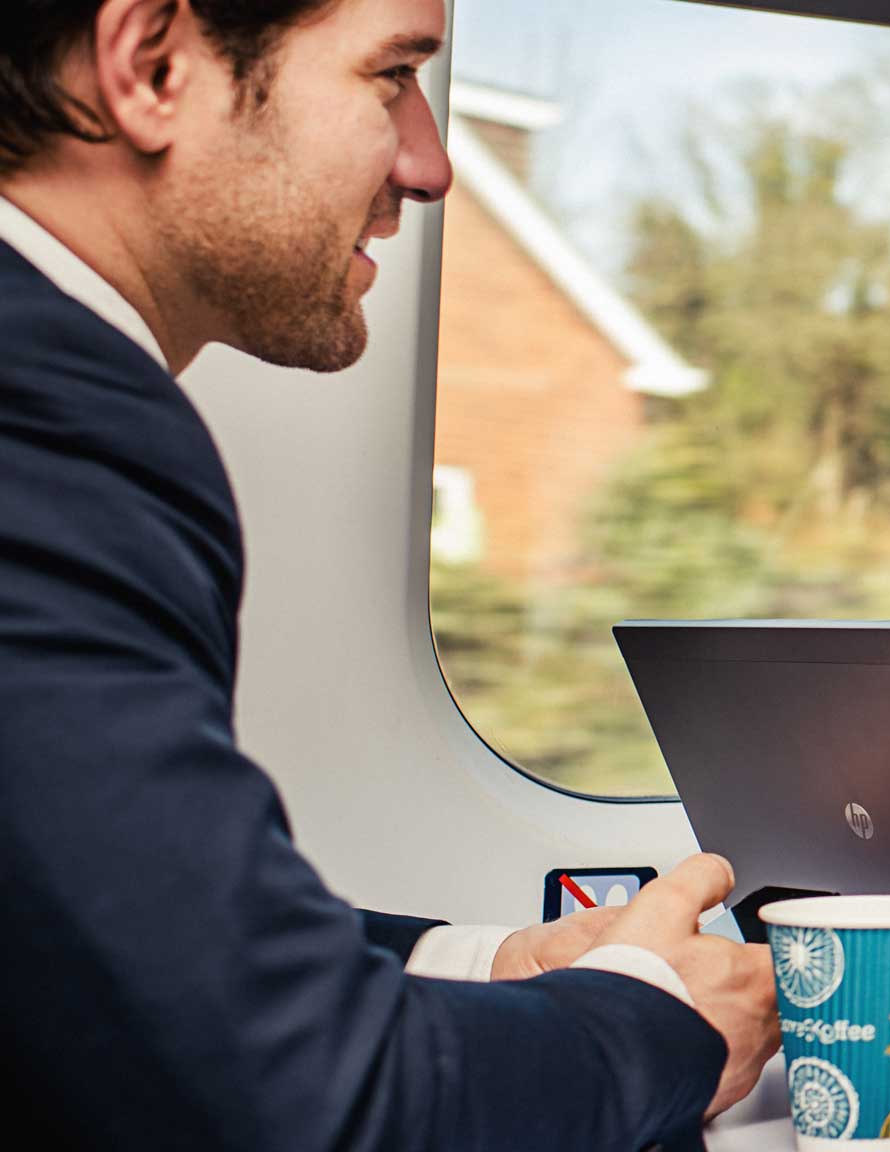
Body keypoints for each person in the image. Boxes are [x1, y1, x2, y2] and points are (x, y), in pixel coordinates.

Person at [0, 2, 779, 1147]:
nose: (431, 161)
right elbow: (309, 1100)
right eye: (392, 75)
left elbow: (83, 933)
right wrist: (661, 1019)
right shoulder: (47, 422)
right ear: (152, 65)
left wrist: (493, 967)